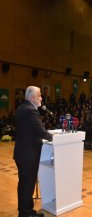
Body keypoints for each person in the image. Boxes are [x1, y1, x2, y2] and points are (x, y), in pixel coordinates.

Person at [13, 86, 53, 217]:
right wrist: (53, 137)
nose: (41, 98)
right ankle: (27, 213)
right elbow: (39, 131)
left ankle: (23, 210)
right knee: (28, 184)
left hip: (21, 153)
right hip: (28, 155)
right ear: (32, 97)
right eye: (40, 95)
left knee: (24, 184)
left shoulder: (21, 108)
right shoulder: (31, 111)